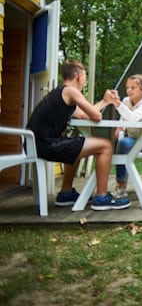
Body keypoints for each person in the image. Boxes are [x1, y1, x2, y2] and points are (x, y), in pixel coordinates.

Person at [26, 59, 131, 210]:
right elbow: (97, 116)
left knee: (75, 145)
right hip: (44, 145)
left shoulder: (62, 93)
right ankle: (101, 197)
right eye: (85, 76)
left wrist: (105, 101)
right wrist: (106, 101)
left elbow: (84, 115)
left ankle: (66, 193)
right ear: (79, 77)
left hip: (37, 144)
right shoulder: (71, 91)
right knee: (106, 145)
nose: (85, 80)